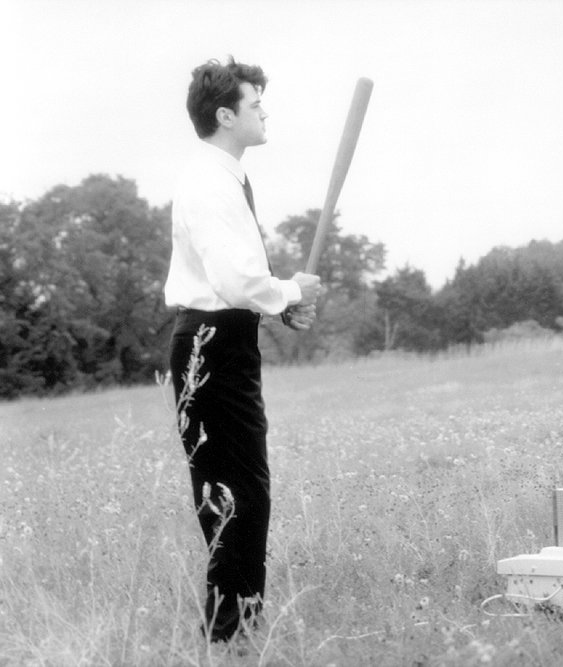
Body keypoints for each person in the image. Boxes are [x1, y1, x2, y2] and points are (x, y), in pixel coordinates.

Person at [164, 57, 322, 642]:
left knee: (239, 490)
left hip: (222, 337)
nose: (264, 112)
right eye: (255, 104)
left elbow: (238, 281)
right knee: (236, 494)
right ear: (226, 115)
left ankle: (233, 630)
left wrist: (278, 303)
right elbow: (234, 281)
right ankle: (231, 636)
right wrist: (289, 291)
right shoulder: (210, 182)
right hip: (213, 343)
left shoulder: (221, 177)